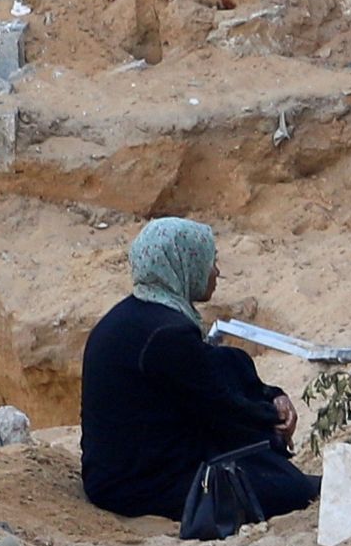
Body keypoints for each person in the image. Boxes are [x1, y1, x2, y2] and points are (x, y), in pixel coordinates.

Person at [81, 218, 320, 522]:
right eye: (209, 262)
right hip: (138, 487)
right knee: (289, 487)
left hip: (113, 475)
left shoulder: (131, 316)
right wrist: (273, 420)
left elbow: (212, 370)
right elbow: (219, 405)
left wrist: (270, 396)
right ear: (184, 264)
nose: (216, 272)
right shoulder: (167, 335)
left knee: (229, 362)